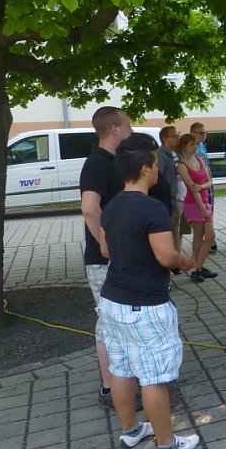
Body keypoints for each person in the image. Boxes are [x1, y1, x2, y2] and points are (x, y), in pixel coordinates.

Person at [97, 135, 200, 449]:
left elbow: (105, 250)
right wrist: (186, 261)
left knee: (121, 368)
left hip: (112, 300)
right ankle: (167, 445)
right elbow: (167, 257)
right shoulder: (152, 208)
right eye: (156, 165)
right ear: (144, 169)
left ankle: (130, 430)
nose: (159, 170)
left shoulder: (111, 205)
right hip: (146, 305)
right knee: (154, 377)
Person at [80, 105, 134, 409]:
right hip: (104, 258)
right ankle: (109, 387)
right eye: (126, 125)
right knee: (108, 321)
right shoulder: (98, 162)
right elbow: (89, 207)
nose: (130, 130)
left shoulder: (113, 161)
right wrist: (106, 241)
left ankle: (122, 380)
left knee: (117, 319)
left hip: (117, 254)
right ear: (113, 129)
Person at [177, 133, 218, 283]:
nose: (195, 146)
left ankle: (199, 267)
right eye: (192, 144)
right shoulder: (181, 166)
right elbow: (192, 189)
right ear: (184, 147)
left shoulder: (199, 160)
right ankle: (198, 269)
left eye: (195, 144)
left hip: (206, 201)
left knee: (210, 236)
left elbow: (209, 181)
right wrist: (201, 207)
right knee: (198, 236)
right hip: (194, 204)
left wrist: (202, 186)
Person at [189, 122, 217, 254]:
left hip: (207, 185)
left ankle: (210, 240)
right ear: (193, 133)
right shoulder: (191, 149)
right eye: (201, 133)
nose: (204, 136)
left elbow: (207, 166)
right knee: (201, 216)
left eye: (205, 133)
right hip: (198, 187)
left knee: (211, 210)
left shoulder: (202, 147)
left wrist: (210, 181)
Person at [156, 126, 183, 255]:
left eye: (178, 135)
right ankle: (173, 258)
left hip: (181, 196)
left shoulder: (177, 152)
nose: (178, 138)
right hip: (171, 198)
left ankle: (177, 255)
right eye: (174, 136)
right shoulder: (161, 155)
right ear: (165, 138)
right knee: (172, 229)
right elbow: (159, 178)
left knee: (179, 229)